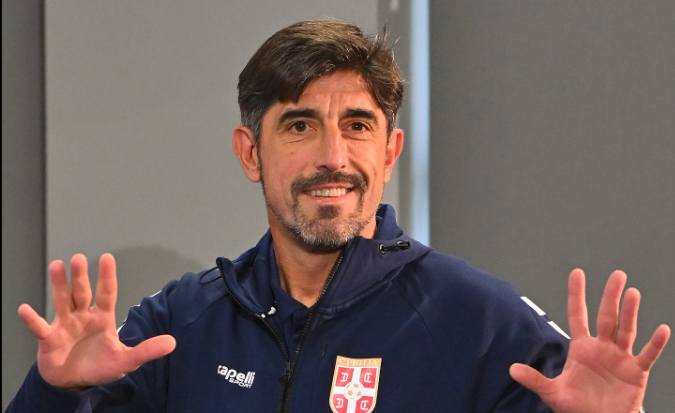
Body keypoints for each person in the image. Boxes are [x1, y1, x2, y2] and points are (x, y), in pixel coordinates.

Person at [8, 19, 670, 413]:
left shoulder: (480, 321)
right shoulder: (178, 325)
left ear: (389, 152)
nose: (333, 156)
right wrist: (55, 394)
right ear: (250, 153)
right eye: (299, 125)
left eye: (357, 125)